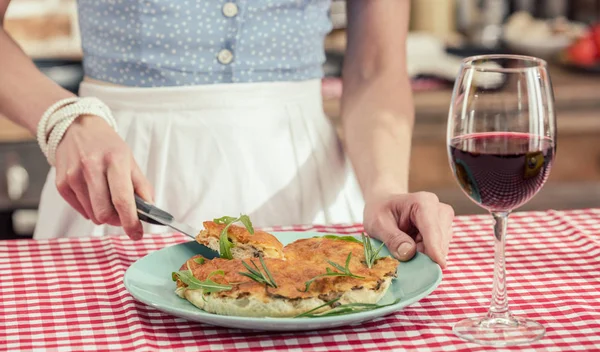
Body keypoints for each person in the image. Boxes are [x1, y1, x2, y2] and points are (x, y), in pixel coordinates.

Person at [0, 0, 454, 266]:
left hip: (306, 184)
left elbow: (376, 68)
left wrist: (384, 187)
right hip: (118, 177)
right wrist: (63, 116)